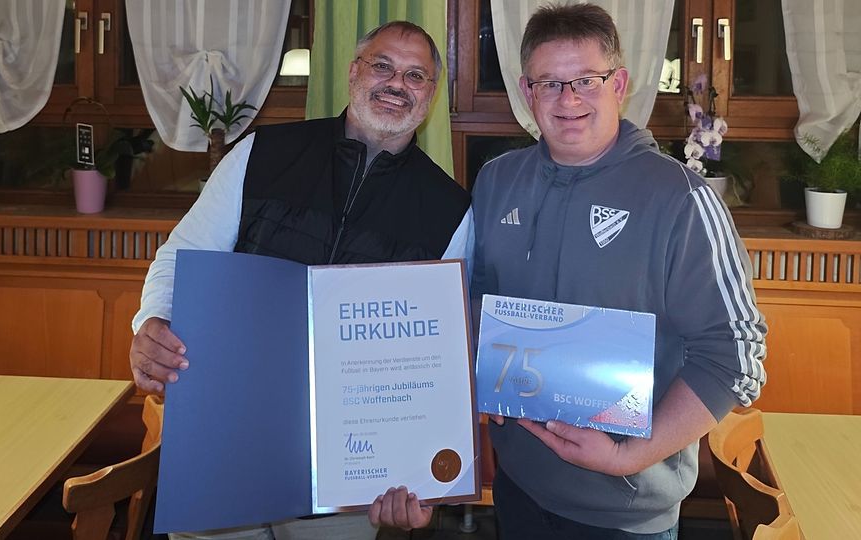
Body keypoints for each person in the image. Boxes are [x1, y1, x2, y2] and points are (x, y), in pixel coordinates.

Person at [129, 21, 472, 540]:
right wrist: (152, 321)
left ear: (431, 92)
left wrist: (422, 477)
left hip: (351, 469)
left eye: (415, 75)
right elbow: (182, 256)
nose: (397, 84)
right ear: (353, 72)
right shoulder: (260, 153)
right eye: (382, 66)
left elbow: (441, 356)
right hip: (228, 436)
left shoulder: (450, 210)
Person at [469, 4, 767, 539]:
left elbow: (735, 356)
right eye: (549, 83)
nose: (568, 100)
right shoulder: (496, 182)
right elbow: (481, 299)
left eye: (586, 80)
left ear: (619, 84)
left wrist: (631, 456)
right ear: (527, 91)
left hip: (627, 512)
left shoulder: (682, 199)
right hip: (518, 487)